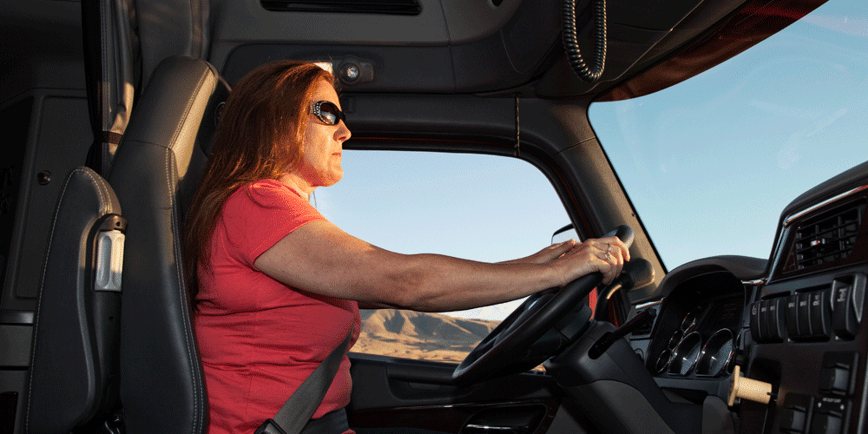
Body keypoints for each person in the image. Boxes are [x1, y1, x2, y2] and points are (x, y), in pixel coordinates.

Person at [183, 60, 630, 434]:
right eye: (327, 113)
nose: (345, 132)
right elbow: (407, 281)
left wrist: (531, 262)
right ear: (272, 117)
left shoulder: (270, 213)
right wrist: (552, 275)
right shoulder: (257, 202)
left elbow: (389, 284)